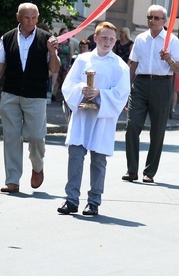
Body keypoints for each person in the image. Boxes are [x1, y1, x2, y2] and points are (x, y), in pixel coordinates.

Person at [0, 3, 60, 194]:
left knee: (35, 136)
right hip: (11, 93)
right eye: (27, 18)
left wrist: (52, 52)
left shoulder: (46, 39)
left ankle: (37, 166)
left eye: (34, 18)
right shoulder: (8, 38)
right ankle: (12, 180)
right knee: (11, 136)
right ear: (18, 17)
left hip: (35, 95)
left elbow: (54, 69)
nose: (31, 22)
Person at [57, 22, 130, 216]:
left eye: (111, 39)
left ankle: (94, 201)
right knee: (75, 156)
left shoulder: (120, 66)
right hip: (82, 115)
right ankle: (71, 199)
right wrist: (82, 89)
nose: (107, 42)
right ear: (95, 38)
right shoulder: (82, 60)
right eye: (104, 38)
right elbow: (68, 85)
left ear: (115, 41)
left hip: (102, 118)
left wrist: (99, 93)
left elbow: (122, 93)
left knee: (98, 160)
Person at [123, 5, 179, 184]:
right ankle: (132, 169)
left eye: (157, 18)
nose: (152, 21)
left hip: (161, 83)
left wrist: (169, 59)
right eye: (150, 17)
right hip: (141, 84)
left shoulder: (171, 40)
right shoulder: (140, 39)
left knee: (157, 130)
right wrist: (126, 89)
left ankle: (149, 171)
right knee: (132, 125)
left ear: (164, 21)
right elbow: (132, 65)